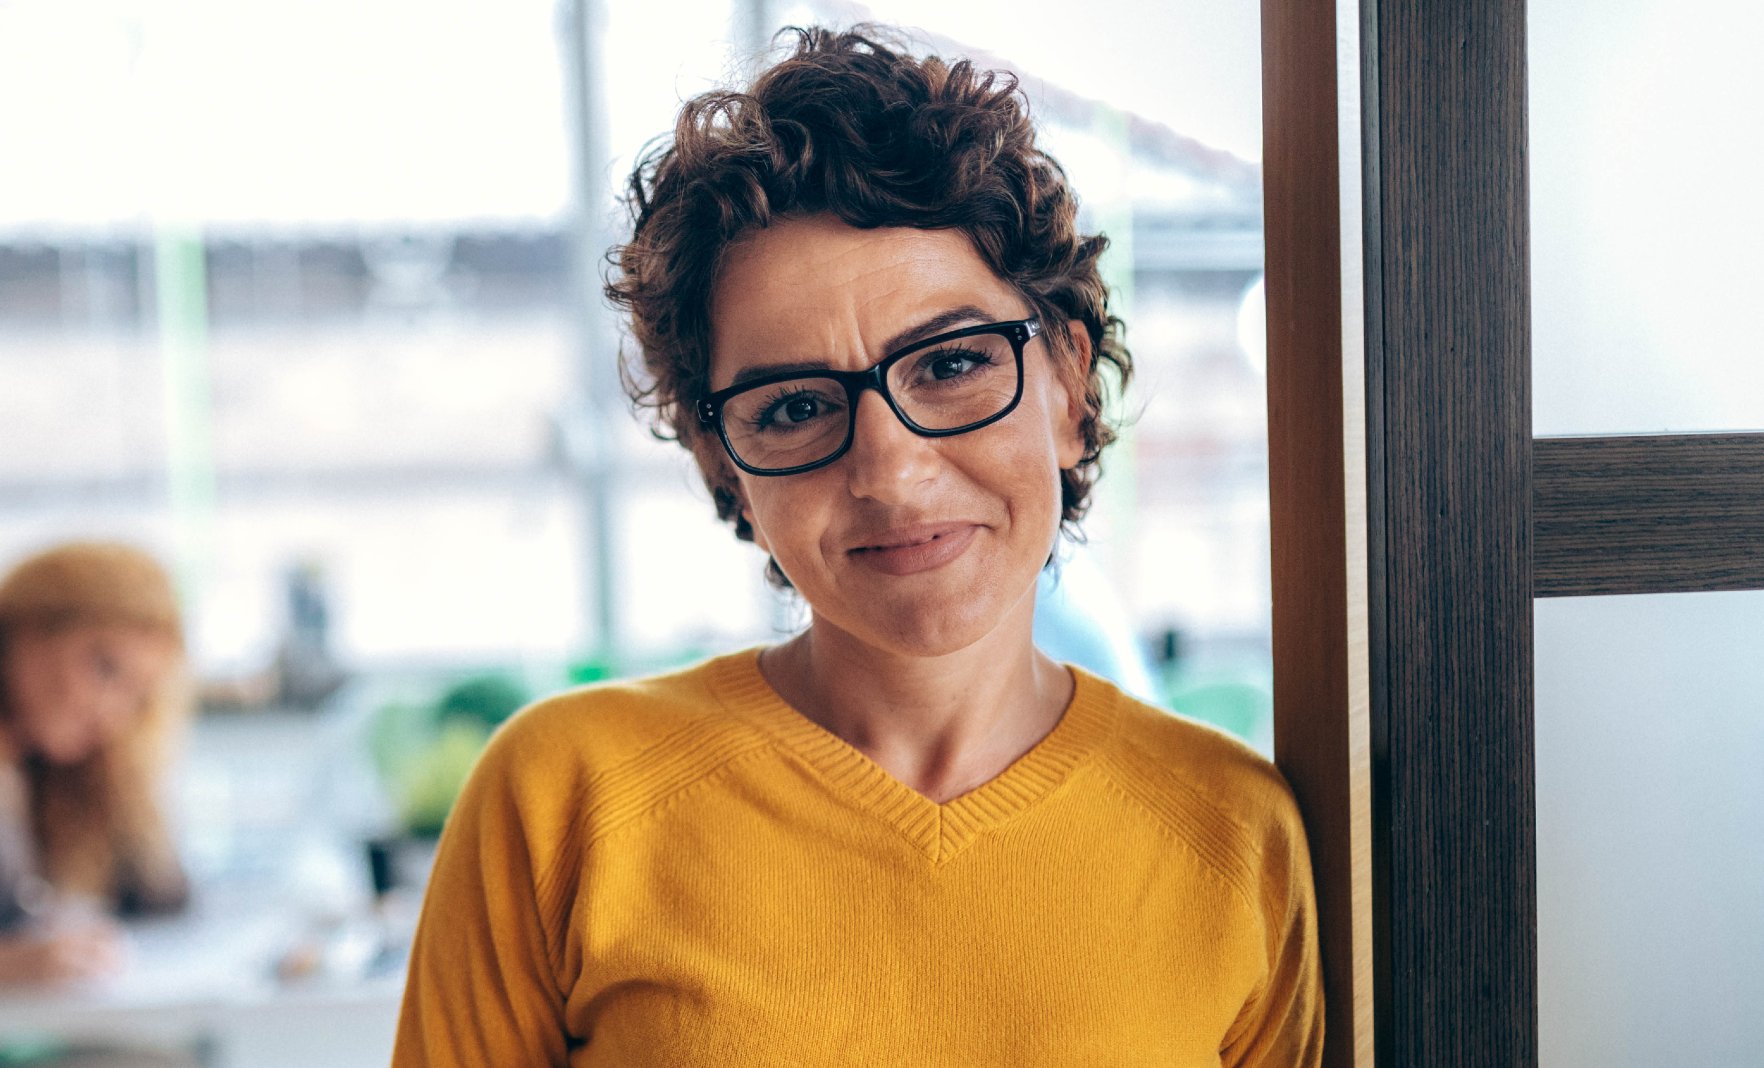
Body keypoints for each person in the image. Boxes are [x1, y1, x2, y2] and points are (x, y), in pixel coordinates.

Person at [395, 27, 1322, 1065]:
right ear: (719, 459)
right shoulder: (563, 798)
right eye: (793, 405)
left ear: (1066, 385)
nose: (889, 466)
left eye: (952, 363)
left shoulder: (1234, 836)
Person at [0, 541, 191, 986]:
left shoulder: (38, 779)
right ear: (21, 634)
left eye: (137, 694)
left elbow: (161, 898)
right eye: (104, 667)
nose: (113, 711)